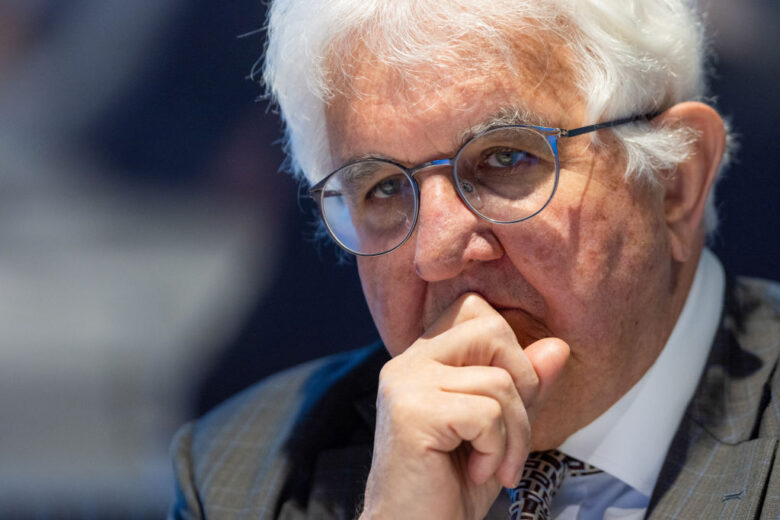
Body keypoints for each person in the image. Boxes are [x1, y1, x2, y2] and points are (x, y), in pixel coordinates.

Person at [169, 0, 780, 518]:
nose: (435, 253)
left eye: (505, 159)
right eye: (383, 187)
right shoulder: (235, 477)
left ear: (675, 183)